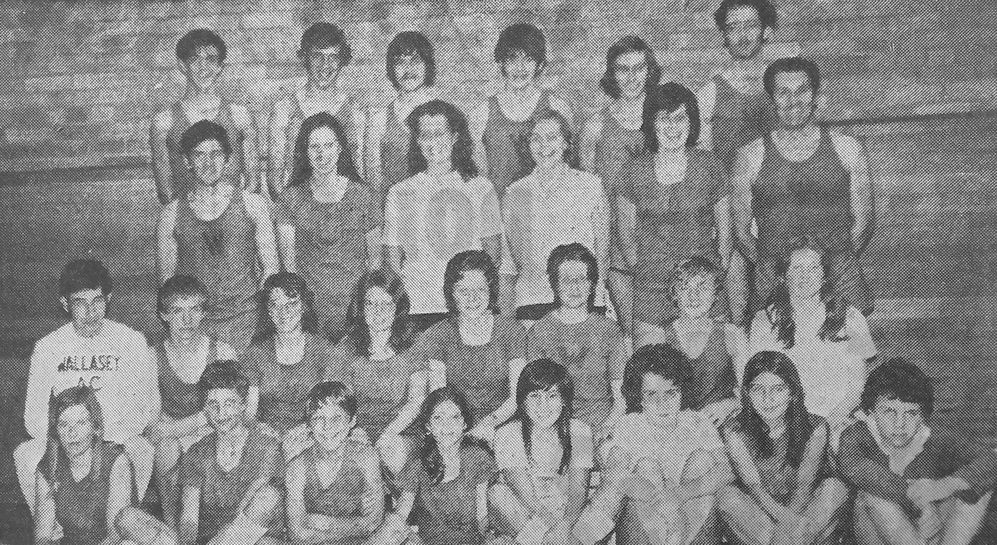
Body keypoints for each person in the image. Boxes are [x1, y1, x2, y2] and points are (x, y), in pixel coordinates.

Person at [731, 56, 874, 315]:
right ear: (772, 99)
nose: (793, 101)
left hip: (839, 279)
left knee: (844, 353)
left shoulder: (847, 148)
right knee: (773, 353)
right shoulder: (750, 156)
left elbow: (864, 222)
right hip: (774, 282)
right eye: (783, 93)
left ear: (815, 95)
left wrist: (830, 268)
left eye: (802, 91)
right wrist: (777, 270)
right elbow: (741, 233)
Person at [17, 259, 158, 519]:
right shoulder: (48, 347)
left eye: (97, 301)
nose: (90, 312)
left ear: (109, 298)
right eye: (80, 303)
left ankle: (119, 526)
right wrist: (68, 438)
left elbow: (141, 412)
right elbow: (32, 418)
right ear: (65, 304)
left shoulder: (131, 341)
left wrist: (102, 438)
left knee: (142, 448)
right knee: (25, 454)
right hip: (67, 436)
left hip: (115, 436)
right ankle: (54, 528)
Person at [573, 344, 733, 545]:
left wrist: (680, 494)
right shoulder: (629, 424)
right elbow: (615, 477)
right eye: (651, 394)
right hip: (644, 527)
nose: (662, 404)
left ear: (682, 392)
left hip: (692, 525)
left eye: (671, 393)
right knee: (646, 467)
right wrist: (664, 506)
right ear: (639, 397)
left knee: (702, 460)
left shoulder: (698, 421)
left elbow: (727, 470)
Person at [608, 83, 731, 344]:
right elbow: (626, 234)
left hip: (703, 289)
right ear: (652, 124)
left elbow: (725, 232)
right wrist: (646, 271)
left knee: (712, 371)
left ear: (692, 122)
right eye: (664, 119)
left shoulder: (710, 166)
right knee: (653, 372)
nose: (673, 127)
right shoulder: (633, 171)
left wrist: (711, 278)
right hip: (652, 290)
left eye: (680, 119)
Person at [840, 358, 997, 545]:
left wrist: (943, 486)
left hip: (932, 531)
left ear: (922, 415)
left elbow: (989, 459)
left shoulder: (932, 435)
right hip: (882, 532)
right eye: (889, 411)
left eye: (911, 413)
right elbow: (860, 470)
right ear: (871, 411)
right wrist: (919, 503)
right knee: (872, 497)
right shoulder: (856, 436)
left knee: (976, 487)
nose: (900, 424)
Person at [157, 120, 278, 354]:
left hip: (247, 324)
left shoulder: (253, 205)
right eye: (199, 155)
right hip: (197, 327)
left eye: (216, 154)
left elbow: (271, 269)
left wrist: (261, 324)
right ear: (186, 161)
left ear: (228, 158)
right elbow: (166, 286)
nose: (209, 163)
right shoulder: (171, 215)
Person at [382, 100, 503, 333]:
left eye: (439, 133)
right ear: (417, 141)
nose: (433, 142)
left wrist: (472, 298)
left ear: (455, 137)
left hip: (468, 311)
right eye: (425, 135)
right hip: (419, 311)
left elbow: (493, 257)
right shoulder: (400, 192)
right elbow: (392, 261)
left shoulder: (480, 188)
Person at [147, 275, 256, 527]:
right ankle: (172, 529)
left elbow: (234, 413)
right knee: (165, 448)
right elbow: (153, 429)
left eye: (194, 310)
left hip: (215, 431)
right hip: (180, 438)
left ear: (204, 312)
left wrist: (181, 425)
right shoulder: (152, 357)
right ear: (164, 315)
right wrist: (193, 423)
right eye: (177, 311)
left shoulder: (222, 352)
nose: (187, 321)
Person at [696, 0, 780, 324]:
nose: (743, 35)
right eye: (733, 27)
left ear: (766, 30)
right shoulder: (710, 93)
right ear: (724, 36)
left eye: (750, 25)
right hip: (732, 205)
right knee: (736, 296)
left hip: (776, 202)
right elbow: (703, 160)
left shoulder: (783, 85)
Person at [716, 351, 849, 545]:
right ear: (747, 393)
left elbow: (804, 487)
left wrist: (787, 527)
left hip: (805, 510)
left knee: (835, 488)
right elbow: (754, 487)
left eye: (777, 389)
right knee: (726, 496)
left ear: (792, 393)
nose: (767, 399)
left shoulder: (816, 427)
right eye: (758, 389)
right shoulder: (734, 429)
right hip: (760, 512)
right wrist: (786, 523)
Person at [748, 238, 876, 431]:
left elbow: (858, 387)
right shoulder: (764, 321)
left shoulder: (852, 318)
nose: (805, 277)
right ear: (784, 275)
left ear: (824, 275)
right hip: (784, 422)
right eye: (796, 269)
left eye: (813, 268)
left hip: (838, 418)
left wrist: (832, 422)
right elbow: (760, 384)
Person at [275, 112, 378, 339]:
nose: (322, 154)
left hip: (355, 311)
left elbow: (375, 263)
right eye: (314, 147)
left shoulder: (363, 195)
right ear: (305, 152)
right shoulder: (290, 198)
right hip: (311, 313)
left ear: (340, 148)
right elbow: (290, 267)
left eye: (329, 145)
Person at [34, 385, 177, 545]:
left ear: (95, 427)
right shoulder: (47, 468)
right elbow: (42, 536)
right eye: (64, 424)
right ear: (55, 431)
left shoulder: (116, 460)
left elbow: (115, 534)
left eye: (81, 423)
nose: (72, 433)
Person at [501, 111, 610, 322]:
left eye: (552, 137)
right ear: (528, 144)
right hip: (532, 301)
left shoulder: (591, 186)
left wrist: (595, 297)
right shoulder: (515, 192)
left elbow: (602, 253)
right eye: (536, 139)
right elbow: (513, 261)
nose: (544, 146)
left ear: (566, 143)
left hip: (583, 302)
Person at [411, 250, 527, 444]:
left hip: (503, 422)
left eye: (480, 289)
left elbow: (518, 396)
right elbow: (440, 400)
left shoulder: (511, 330)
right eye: (463, 291)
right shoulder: (438, 334)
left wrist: (490, 423)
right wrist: (462, 432)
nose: (472, 298)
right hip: (455, 426)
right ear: (452, 294)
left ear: (490, 291)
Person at [327, 269, 424, 476]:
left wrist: (388, 434)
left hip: (402, 430)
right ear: (361, 307)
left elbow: (417, 401)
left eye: (386, 304)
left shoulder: (414, 344)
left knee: (391, 450)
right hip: (358, 429)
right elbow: (339, 402)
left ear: (397, 307)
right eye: (371, 303)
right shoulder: (347, 348)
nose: (378, 312)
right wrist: (353, 430)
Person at [526, 243, 627, 439]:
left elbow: (621, 400)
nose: (574, 287)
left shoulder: (609, 330)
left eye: (581, 279)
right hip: (554, 429)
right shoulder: (539, 332)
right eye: (566, 280)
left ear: (592, 285)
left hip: (603, 427)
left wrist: (603, 431)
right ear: (554, 284)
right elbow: (535, 399)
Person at [177, 361, 283, 545]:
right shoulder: (196, 453)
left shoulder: (268, 446)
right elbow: (189, 518)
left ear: (243, 405)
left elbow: (257, 501)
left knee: (268, 497)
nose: (221, 413)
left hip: (254, 537)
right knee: (128, 519)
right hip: (208, 539)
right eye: (213, 404)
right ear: (204, 408)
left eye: (229, 403)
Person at [490, 359, 594, 545]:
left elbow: (578, 492)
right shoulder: (507, 433)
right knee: (497, 494)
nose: (543, 406)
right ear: (522, 402)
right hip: (528, 517)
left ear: (564, 401)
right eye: (535, 396)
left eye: (552, 396)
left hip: (568, 516)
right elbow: (527, 499)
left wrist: (564, 527)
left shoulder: (580, 431)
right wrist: (558, 534)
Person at [151, 29, 258, 204]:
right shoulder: (164, 121)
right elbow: (165, 191)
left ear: (220, 67)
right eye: (195, 60)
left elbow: (253, 183)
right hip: (187, 223)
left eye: (211, 60)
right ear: (182, 66)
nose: (203, 68)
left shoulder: (239, 115)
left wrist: (233, 214)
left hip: (234, 219)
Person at [642, 257, 747, 426]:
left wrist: (729, 405)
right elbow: (647, 396)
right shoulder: (659, 336)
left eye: (703, 287)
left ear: (715, 294)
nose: (694, 296)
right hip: (675, 426)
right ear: (674, 294)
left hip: (721, 423)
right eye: (685, 288)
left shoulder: (731, 334)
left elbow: (750, 390)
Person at [471, 23, 573, 195]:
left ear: (539, 65)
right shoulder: (481, 114)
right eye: (512, 59)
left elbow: (568, 170)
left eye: (528, 59)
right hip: (502, 212)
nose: (520, 68)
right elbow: (480, 180)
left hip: (548, 209)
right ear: (501, 63)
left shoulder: (558, 107)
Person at [240, 273, 334, 460]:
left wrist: (306, 429)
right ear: (268, 310)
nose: (284, 313)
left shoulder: (323, 350)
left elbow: (329, 409)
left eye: (291, 304)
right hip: (267, 435)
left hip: (311, 433)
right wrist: (259, 427)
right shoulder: (255, 353)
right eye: (276, 305)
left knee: (295, 453)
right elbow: (249, 411)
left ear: (304, 307)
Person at [284, 382, 389, 545]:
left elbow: (373, 522)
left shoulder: (366, 457)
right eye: (319, 418)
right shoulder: (297, 467)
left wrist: (325, 523)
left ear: (352, 421)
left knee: (395, 527)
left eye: (336, 418)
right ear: (309, 425)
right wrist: (355, 524)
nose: (327, 427)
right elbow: (297, 535)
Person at [389, 387, 497, 545]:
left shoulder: (477, 457)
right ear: (428, 426)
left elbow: (482, 516)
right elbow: (400, 517)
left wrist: (490, 539)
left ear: (464, 423)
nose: (447, 425)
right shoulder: (417, 466)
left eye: (454, 417)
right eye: (438, 418)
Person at [267, 22, 366, 194]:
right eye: (317, 56)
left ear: (342, 60)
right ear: (305, 58)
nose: (325, 65)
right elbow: (275, 178)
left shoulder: (355, 112)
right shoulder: (284, 109)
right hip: (298, 210)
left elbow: (361, 173)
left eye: (333, 57)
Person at [365, 31, 439, 213]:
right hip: (396, 215)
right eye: (400, 62)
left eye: (415, 61)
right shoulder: (379, 119)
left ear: (427, 65)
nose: (408, 70)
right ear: (391, 68)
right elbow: (374, 181)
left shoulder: (444, 113)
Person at [580, 35, 659, 187]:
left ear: (649, 71)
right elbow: (588, 191)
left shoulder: (664, 118)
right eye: (623, 70)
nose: (632, 78)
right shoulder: (595, 126)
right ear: (613, 74)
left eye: (638, 69)